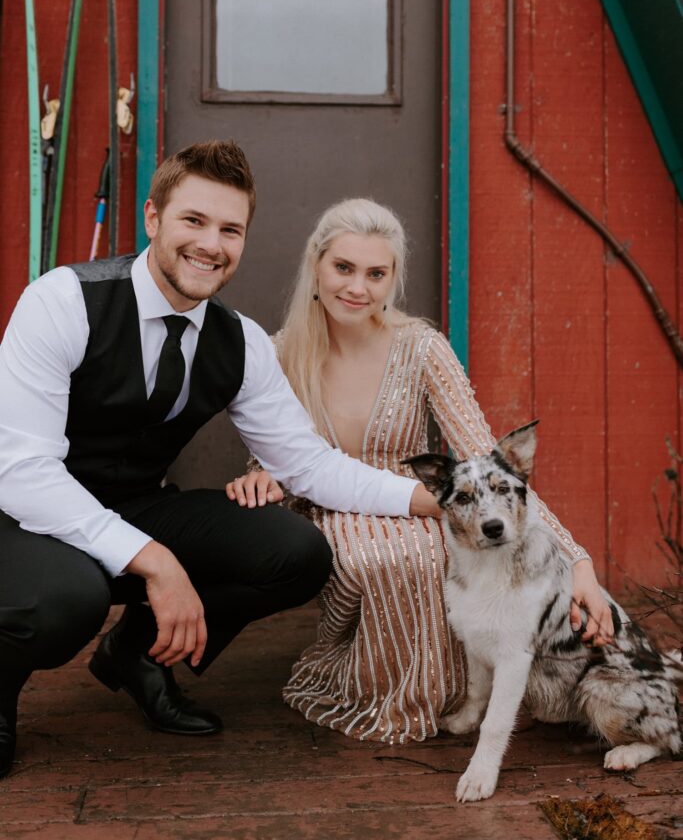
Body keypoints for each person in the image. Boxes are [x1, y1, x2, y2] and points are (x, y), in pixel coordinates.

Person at [0, 143, 444, 780]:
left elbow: (308, 466)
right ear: (153, 219)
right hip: (21, 518)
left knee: (297, 553)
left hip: (131, 503)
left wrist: (427, 499)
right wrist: (155, 562)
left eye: (230, 230)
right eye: (194, 221)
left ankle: (138, 654)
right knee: (69, 600)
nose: (212, 244)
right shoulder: (63, 301)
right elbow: (22, 474)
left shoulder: (238, 343)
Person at [227, 198, 614, 745]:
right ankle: (383, 691)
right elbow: (271, 457)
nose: (357, 287)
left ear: (392, 279)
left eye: (376, 273)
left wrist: (578, 559)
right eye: (343, 268)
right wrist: (259, 475)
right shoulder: (278, 354)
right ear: (316, 265)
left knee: (448, 548)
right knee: (385, 556)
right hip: (327, 504)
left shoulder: (421, 349)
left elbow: (488, 463)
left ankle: (463, 694)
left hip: (417, 496)